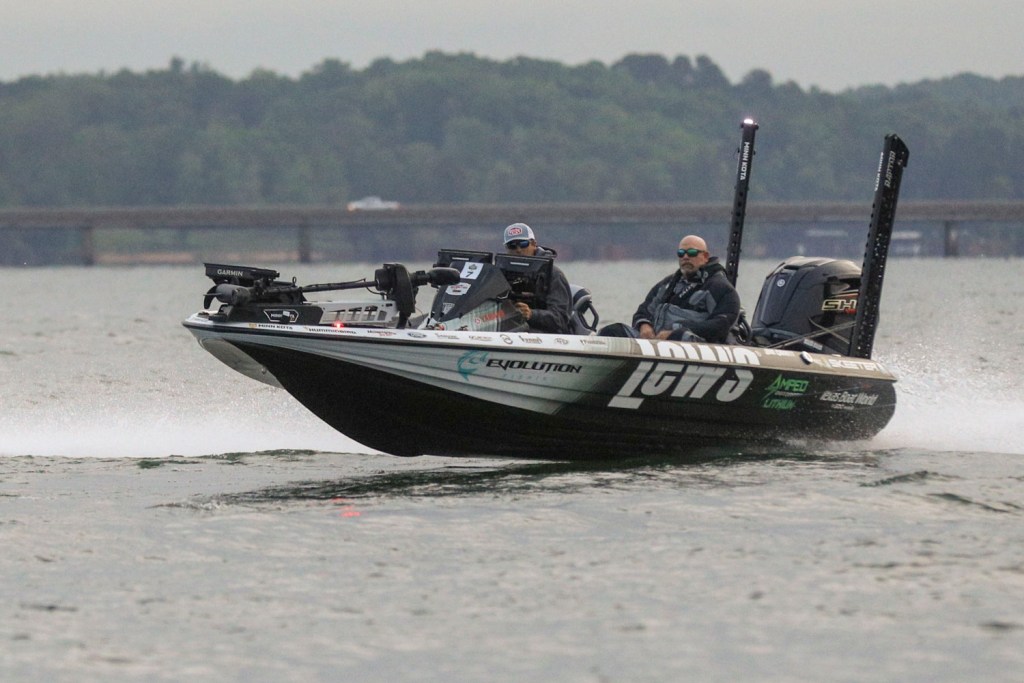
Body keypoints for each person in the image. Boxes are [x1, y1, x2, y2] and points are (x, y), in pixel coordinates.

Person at [624, 234, 740, 343]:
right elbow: (643, 310)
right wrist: (644, 325)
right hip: (655, 340)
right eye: (681, 253)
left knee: (679, 336)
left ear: (705, 257)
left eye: (692, 253)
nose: (685, 257)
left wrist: (676, 331)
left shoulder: (720, 287)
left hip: (692, 343)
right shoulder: (667, 285)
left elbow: (722, 324)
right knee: (616, 330)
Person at [502, 222, 572, 334]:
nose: (518, 250)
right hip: (510, 330)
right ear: (507, 248)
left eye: (523, 244)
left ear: (534, 244)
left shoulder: (554, 275)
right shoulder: (501, 274)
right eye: (512, 246)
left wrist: (531, 314)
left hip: (547, 335)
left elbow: (561, 319)